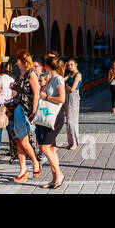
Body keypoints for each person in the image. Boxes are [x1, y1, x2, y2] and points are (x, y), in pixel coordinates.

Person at [32, 53, 67, 189]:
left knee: (44, 147)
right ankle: (54, 179)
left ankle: (59, 175)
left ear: (46, 65)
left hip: (56, 117)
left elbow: (62, 99)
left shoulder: (58, 79)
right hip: (47, 116)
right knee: (51, 148)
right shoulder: (50, 79)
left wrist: (46, 97)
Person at [7, 53, 42, 182]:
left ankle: (35, 161)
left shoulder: (31, 74)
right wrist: (14, 86)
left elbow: (36, 94)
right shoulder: (20, 75)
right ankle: (23, 170)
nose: (16, 63)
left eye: (17, 60)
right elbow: (21, 89)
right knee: (18, 141)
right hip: (17, 109)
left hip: (25, 111)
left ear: (22, 60)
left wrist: (33, 112)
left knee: (23, 141)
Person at [57, 58, 84, 152]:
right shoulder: (70, 74)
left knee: (72, 120)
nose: (70, 66)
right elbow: (60, 80)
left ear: (76, 64)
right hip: (67, 96)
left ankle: (75, 142)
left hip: (74, 97)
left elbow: (73, 89)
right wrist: (63, 69)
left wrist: (65, 87)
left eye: (71, 65)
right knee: (68, 120)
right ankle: (70, 141)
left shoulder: (78, 75)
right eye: (68, 65)